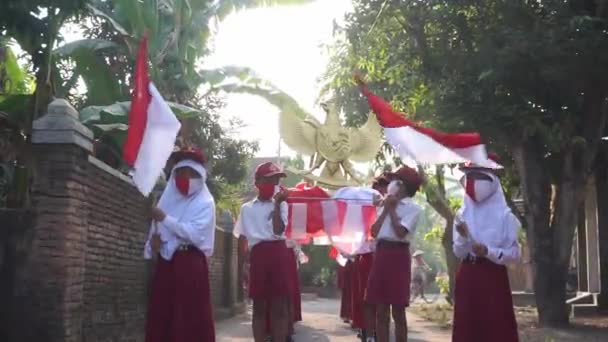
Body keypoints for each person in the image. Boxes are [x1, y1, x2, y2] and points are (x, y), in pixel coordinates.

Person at [144, 147, 216, 342]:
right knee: (163, 317)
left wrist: (165, 219)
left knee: (189, 319)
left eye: (191, 174)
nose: (186, 178)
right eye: (181, 173)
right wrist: (154, 245)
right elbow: (156, 232)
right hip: (167, 264)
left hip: (191, 264)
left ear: (200, 177)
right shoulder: (168, 199)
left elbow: (194, 234)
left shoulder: (205, 203)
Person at [452, 156, 521, 342]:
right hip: (467, 274)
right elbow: (458, 252)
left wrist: (489, 252)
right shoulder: (461, 214)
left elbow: (514, 254)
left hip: (493, 276)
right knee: (467, 328)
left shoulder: (506, 217)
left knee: (495, 327)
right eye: (469, 175)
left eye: (478, 175)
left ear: (492, 180)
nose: (473, 181)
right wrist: (463, 238)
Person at [234, 162, 292, 342]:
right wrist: (241, 266)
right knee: (259, 306)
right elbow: (242, 240)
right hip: (258, 256)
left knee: (279, 306)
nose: (273, 184)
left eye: (275, 180)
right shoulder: (247, 209)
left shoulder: (282, 204)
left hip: (278, 254)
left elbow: (278, 230)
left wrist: (277, 204)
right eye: (268, 179)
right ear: (257, 182)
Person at [366, 166, 423, 342]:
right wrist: (385, 208)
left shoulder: (414, 209)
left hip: (398, 255)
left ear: (403, 186)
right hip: (382, 253)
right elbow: (374, 231)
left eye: (394, 181)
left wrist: (391, 209)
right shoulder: (383, 203)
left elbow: (400, 232)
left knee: (398, 309)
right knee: (381, 308)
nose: (390, 184)